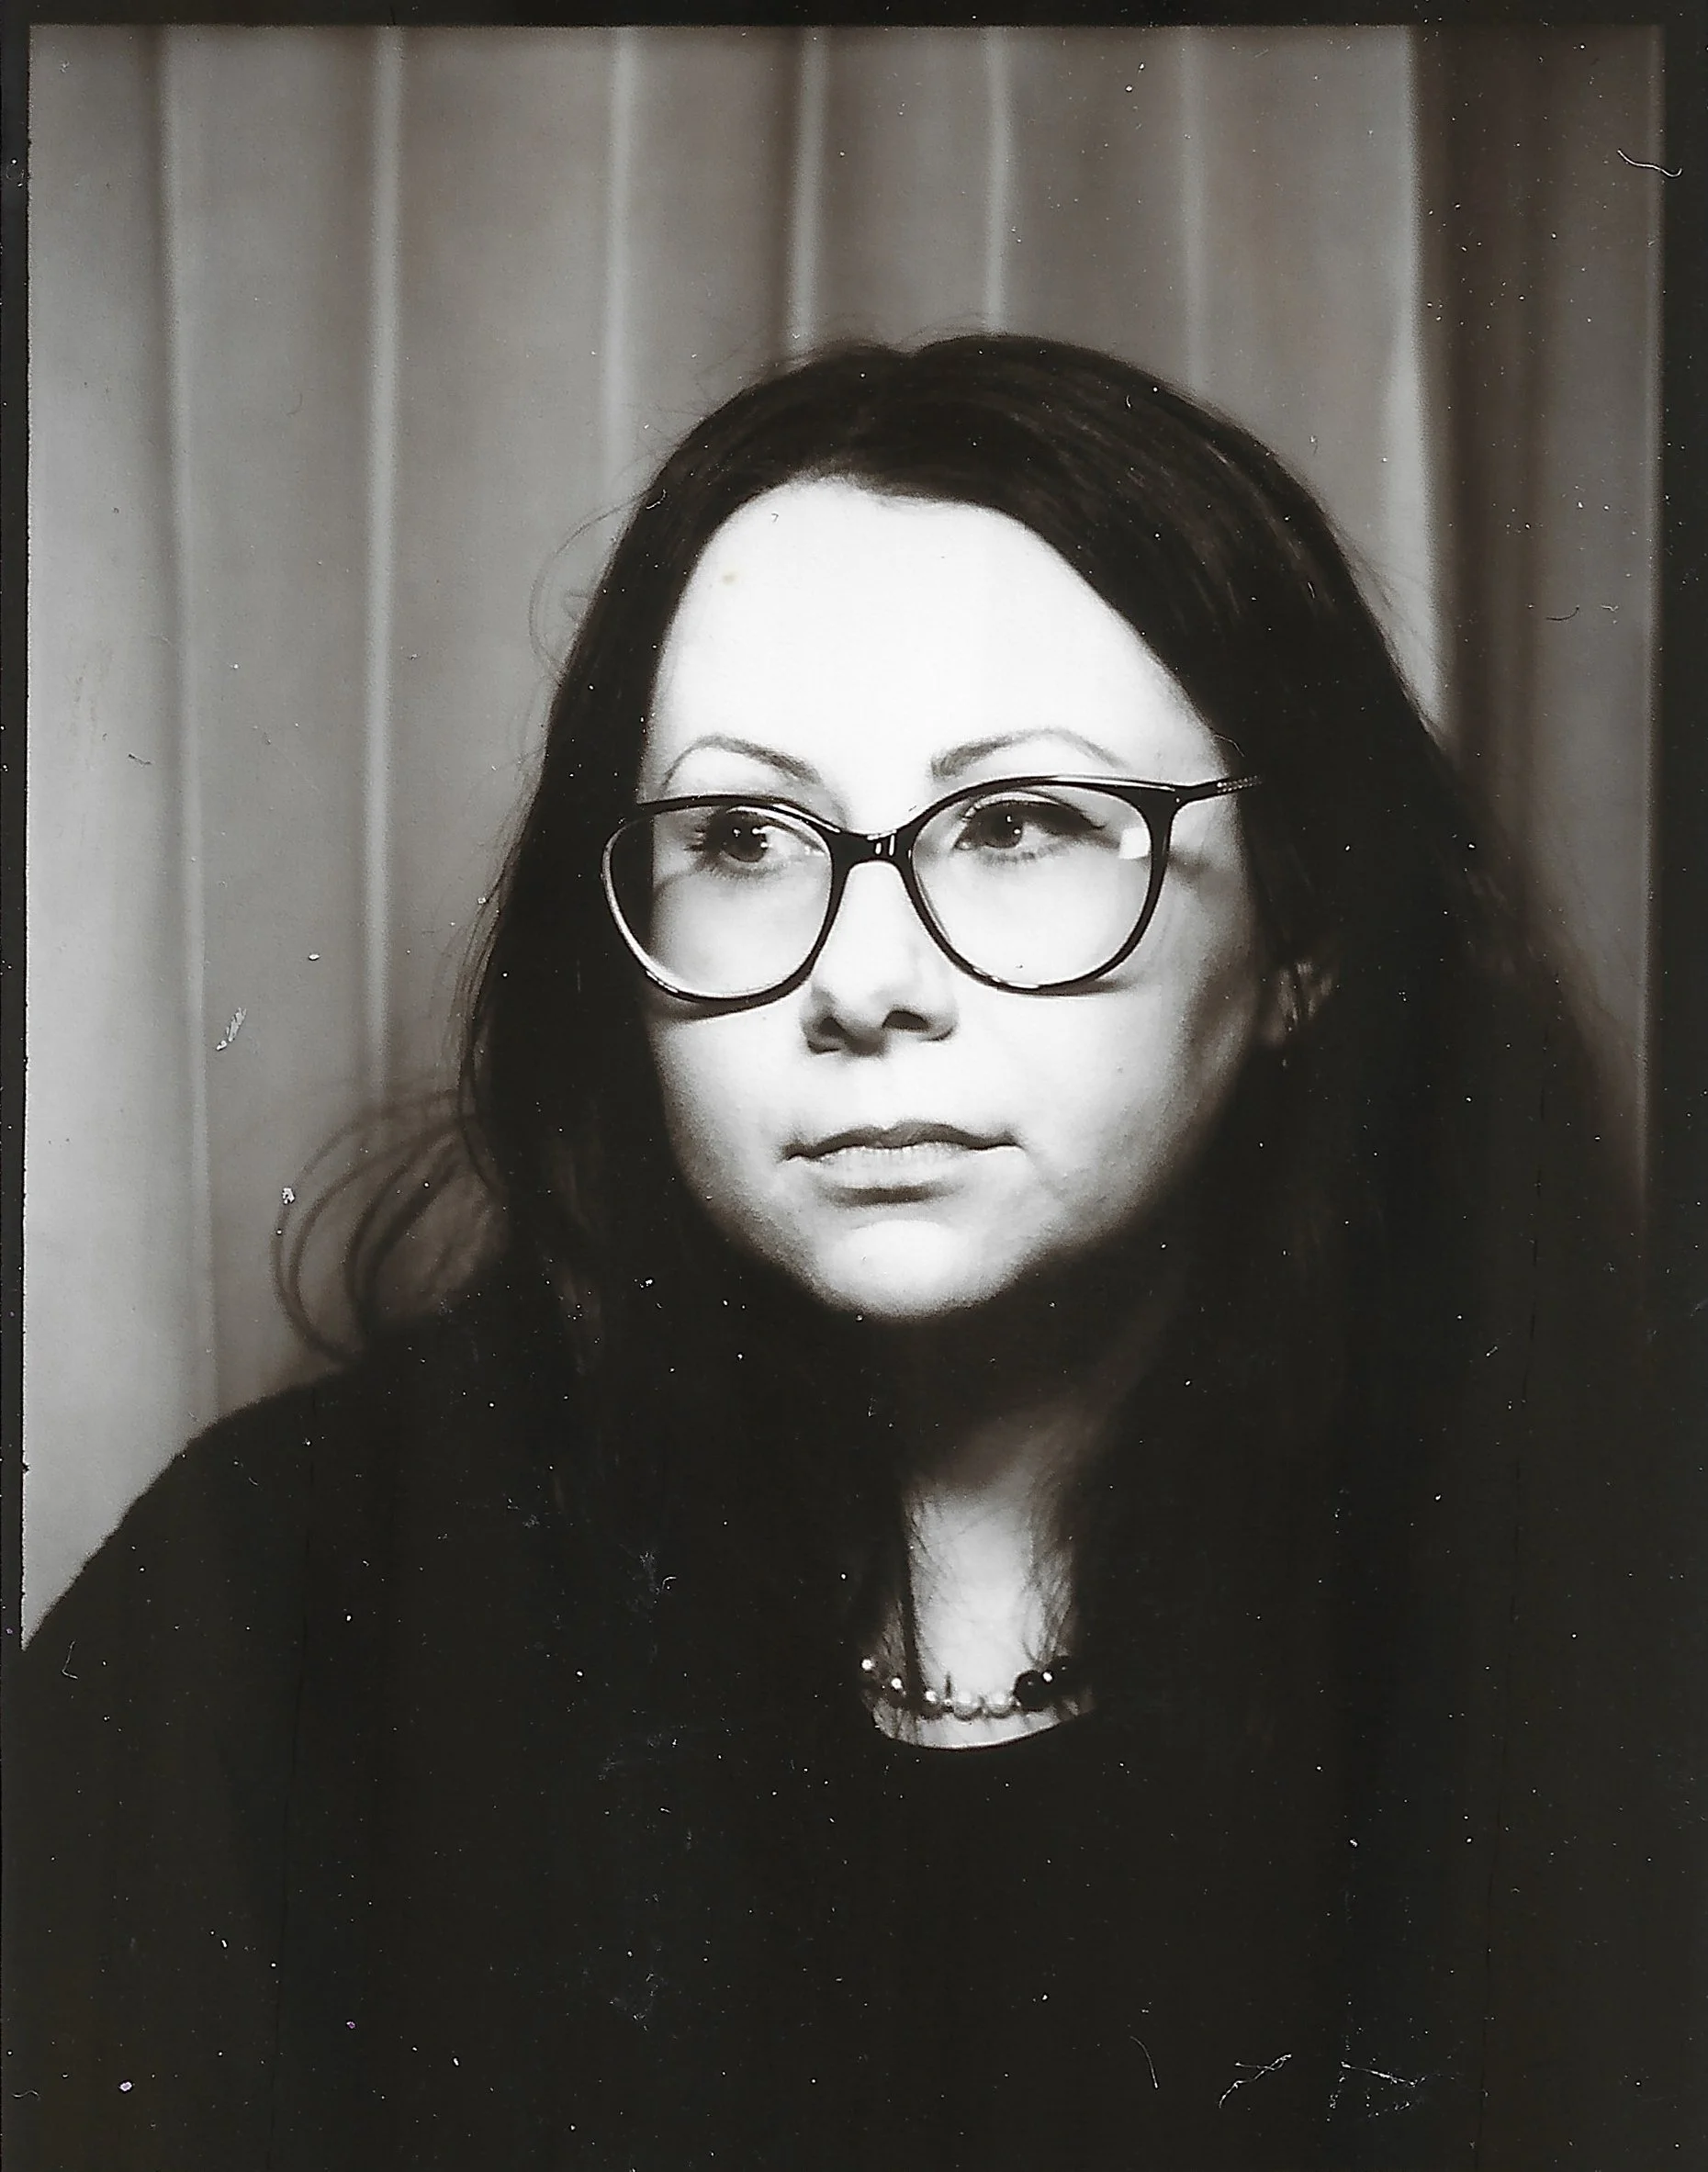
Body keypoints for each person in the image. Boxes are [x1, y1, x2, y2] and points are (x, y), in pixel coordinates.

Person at [10, 335, 1673, 2169]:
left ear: (1307, 935)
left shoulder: (1592, 1640)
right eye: (741, 836)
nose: (863, 982)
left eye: (1024, 821)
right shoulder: (269, 1607)